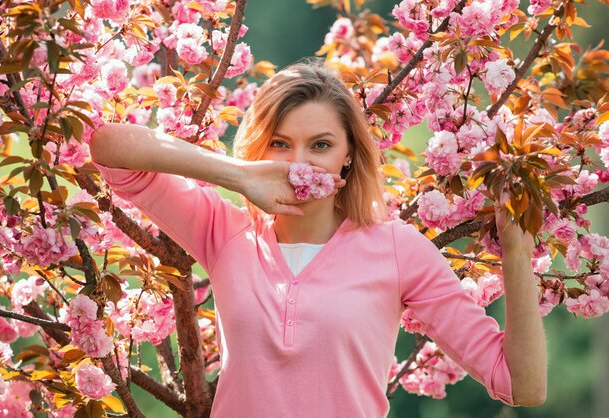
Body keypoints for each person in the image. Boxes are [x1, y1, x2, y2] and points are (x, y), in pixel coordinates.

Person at [89, 60, 547, 417]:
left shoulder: (398, 250)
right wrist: (239, 176)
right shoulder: (225, 232)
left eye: (322, 145)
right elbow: (109, 147)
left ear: (349, 156)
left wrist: (515, 252)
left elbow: (521, 385)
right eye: (280, 143)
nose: (299, 163)